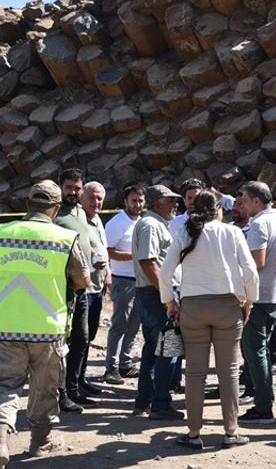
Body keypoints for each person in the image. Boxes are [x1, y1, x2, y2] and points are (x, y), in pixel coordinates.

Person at [0, 180, 90, 469]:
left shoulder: (0, 233)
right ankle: (40, 442)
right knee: (45, 388)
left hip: (7, 325)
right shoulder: (65, 238)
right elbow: (82, 280)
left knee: (2, 386)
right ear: (55, 209)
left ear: (28, 204)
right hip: (48, 327)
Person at [160, 190, 259, 449]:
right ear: (218, 209)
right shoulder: (233, 232)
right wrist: (249, 301)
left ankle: (194, 433)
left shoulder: (185, 233)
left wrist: (170, 301)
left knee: (194, 373)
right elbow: (249, 271)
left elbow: (166, 272)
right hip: (228, 306)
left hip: (193, 307)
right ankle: (230, 431)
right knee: (229, 372)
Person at [237, 181, 276, 424]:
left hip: (257, 296)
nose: (243, 205)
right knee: (263, 351)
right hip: (274, 294)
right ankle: (265, 399)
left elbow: (256, 262)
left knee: (254, 351)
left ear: (257, 201)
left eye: (246, 200)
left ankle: (263, 406)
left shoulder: (259, 223)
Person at [132, 184, 184, 420]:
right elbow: (148, 261)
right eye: (170, 200)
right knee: (167, 349)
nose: (175, 204)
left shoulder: (155, 224)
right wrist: (167, 297)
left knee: (155, 348)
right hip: (156, 296)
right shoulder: (151, 225)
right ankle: (160, 403)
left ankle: (146, 400)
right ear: (156, 202)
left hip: (155, 294)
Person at [53, 169, 100, 413]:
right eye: (69, 187)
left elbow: (82, 242)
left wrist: (94, 257)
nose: (73, 192)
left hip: (83, 286)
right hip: (63, 288)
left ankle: (73, 389)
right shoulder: (54, 213)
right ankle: (60, 393)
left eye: (77, 188)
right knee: (64, 342)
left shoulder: (81, 212)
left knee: (81, 338)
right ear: (61, 187)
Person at [103, 184, 145, 384]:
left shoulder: (144, 222)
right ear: (125, 202)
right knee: (119, 324)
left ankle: (125, 364)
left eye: (140, 200)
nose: (137, 204)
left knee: (134, 325)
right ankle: (111, 367)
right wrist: (134, 256)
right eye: (134, 200)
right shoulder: (116, 223)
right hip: (123, 279)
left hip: (141, 280)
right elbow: (108, 250)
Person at [79, 181, 112, 395]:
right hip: (83, 287)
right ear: (82, 197)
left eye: (100, 198)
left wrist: (108, 274)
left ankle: (80, 379)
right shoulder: (78, 220)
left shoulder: (98, 219)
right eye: (92, 197)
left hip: (98, 287)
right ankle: (72, 382)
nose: (96, 202)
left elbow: (104, 249)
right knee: (79, 338)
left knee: (89, 336)